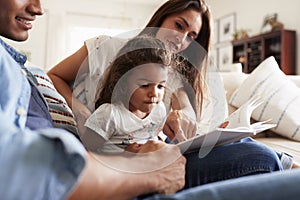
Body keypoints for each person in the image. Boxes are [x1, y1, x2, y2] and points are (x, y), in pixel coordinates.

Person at [2, 0, 300, 199]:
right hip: (113, 151)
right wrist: (79, 112)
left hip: (147, 149)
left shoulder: (172, 76)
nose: (182, 39)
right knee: (258, 159)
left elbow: (177, 116)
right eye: (179, 25)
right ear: (161, 18)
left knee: (247, 149)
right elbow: (55, 78)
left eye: (192, 36)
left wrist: (180, 114)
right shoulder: (105, 48)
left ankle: (282, 161)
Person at [82, 36, 173, 152]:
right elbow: (84, 155)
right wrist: (125, 156)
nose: (154, 93)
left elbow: (153, 137)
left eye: (160, 86)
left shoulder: (159, 110)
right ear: (123, 83)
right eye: (144, 85)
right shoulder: (109, 115)